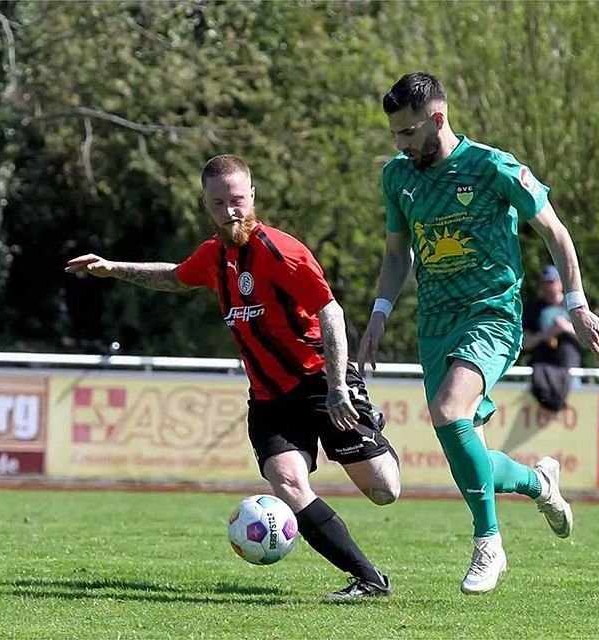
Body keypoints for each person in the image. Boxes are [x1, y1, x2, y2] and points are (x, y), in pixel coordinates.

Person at [66, 154, 400, 600]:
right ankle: (369, 579)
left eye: (237, 199)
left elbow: (331, 312)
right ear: (206, 204)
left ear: (252, 196)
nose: (230, 211)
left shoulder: (283, 252)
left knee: (383, 491)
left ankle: (370, 425)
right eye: (218, 202)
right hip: (269, 401)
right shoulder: (212, 257)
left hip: (321, 383)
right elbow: (175, 277)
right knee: (288, 483)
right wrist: (114, 269)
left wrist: (340, 386)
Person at [358, 72, 599, 595]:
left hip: (491, 315)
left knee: (449, 412)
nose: (400, 145)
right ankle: (539, 483)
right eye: (394, 136)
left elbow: (555, 233)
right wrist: (380, 311)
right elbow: (395, 253)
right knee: (465, 449)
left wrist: (577, 304)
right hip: (435, 324)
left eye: (407, 133)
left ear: (438, 120)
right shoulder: (397, 177)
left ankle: (488, 544)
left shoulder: (492, 167)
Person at [522, 264, 583, 411]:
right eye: (544, 283)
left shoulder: (575, 307)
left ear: (561, 283)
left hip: (570, 370)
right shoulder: (533, 308)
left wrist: (565, 327)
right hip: (541, 368)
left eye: (551, 282)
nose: (548, 287)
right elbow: (524, 343)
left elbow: (588, 340)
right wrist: (546, 334)